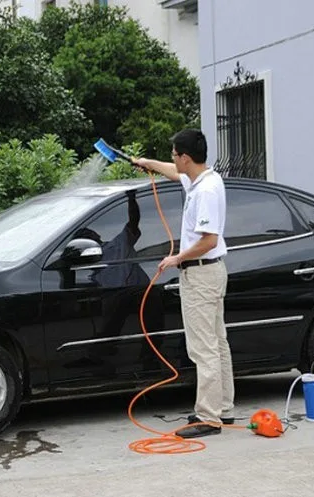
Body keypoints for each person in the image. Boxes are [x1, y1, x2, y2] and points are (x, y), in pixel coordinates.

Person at [132, 129, 234, 439]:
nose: (173, 159)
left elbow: (208, 240)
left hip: (201, 273)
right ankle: (223, 408)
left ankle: (208, 417)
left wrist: (176, 258)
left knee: (204, 349)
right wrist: (147, 162)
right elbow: (175, 174)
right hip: (212, 272)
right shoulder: (204, 178)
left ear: (186, 157)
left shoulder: (204, 192)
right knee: (218, 343)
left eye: (175, 155)